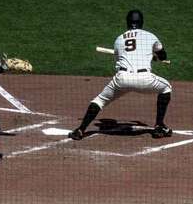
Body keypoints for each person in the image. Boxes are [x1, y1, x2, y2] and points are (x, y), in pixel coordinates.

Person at [70, 10, 173, 140]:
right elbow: (163, 55)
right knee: (166, 87)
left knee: (99, 100)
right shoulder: (150, 36)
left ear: (128, 23)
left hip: (122, 79)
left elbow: (122, 59)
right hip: (144, 79)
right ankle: (159, 125)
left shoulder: (119, 39)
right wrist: (154, 56)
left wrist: (148, 55)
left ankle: (80, 130)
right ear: (141, 22)